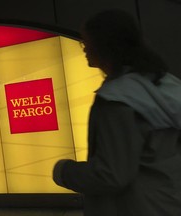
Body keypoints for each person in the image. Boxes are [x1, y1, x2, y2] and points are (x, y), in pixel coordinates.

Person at [53, 9, 181, 216]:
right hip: (168, 201)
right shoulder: (163, 84)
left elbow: (111, 175)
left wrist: (64, 171)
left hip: (134, 206)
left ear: (104, 44)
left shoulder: (115, 100)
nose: (84, 49)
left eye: (86, 42)